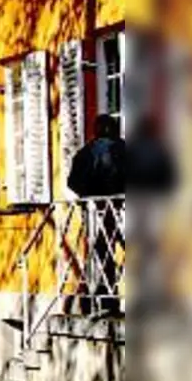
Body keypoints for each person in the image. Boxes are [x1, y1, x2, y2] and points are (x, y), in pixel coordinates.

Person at [67, 114, 126, 313]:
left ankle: (108, 301)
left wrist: (89, 195)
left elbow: (73, 183)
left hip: (96, 212)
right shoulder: (125, 150)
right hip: (124, 209)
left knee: (103, 255)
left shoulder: (85, 153)